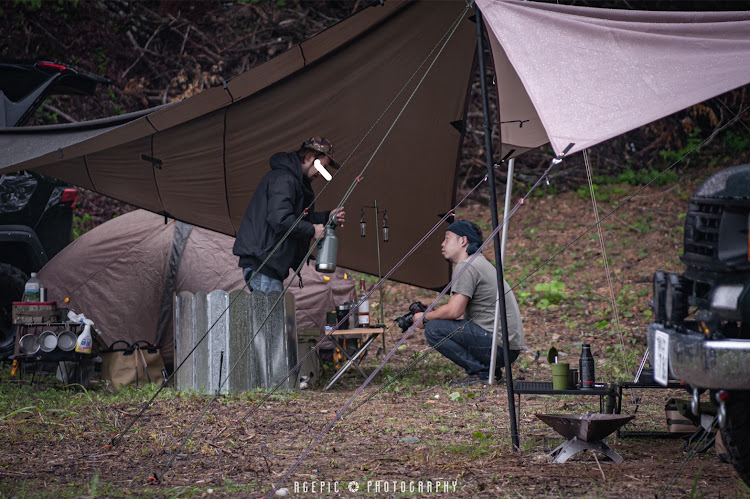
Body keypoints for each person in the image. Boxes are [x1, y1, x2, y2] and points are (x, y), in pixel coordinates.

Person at [412, 220, 523, 386]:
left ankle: (482, 374)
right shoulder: (478, 262)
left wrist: (425, 317)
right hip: (507, 346)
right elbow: (460, 312)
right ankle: (489, 371)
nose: (442, 244)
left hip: (498, 346)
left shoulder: (467, 265)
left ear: (463, 241)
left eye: (447, 238)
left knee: (434, 329)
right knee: (438, 324)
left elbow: (454, 311)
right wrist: (435, 313)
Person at [233, 137, 345, 293]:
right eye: (322, 167)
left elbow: (298, 219)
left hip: (267, 264)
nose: (321, 174)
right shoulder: (284, 179)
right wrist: (312, 230)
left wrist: (327, 217)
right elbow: (280, 220)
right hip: (264, 262)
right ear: (309, 156)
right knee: (271, 317)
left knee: (271, 315)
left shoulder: (293, 180)